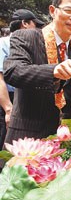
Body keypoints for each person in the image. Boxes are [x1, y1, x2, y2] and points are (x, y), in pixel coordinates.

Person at [3, 0, 71, 200]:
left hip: (60, 146)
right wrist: (52, 70)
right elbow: (13, 72)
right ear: (53, 10)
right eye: (69, 11)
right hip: (29, 142)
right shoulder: (26, 38)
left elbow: (70, 98)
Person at [0, 9, 45, 149]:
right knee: (7, 144)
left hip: (26, 100)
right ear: (25, 23)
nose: (37, 29)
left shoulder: (33, 44)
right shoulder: (4, 43)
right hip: (8, 99)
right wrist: (8, 108)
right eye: (35, 24)